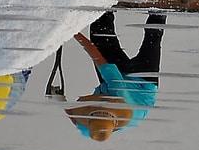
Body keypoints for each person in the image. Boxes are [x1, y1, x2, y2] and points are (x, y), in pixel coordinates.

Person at [65, 11, 165, 141]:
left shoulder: (91, 126)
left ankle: (105, 8)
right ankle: (159, 10)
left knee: (100, 32)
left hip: (112, 86)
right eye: (104, 105)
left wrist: (58, 99)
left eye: (97, 106)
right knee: (153, 35)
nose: (100, 105)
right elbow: (98, 58)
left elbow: (73, 116)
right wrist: (71, 31)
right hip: (144, 83)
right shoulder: (119, 94)